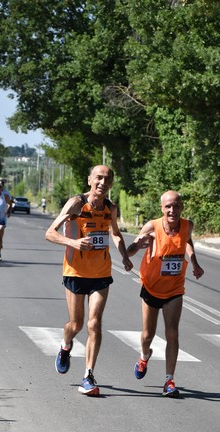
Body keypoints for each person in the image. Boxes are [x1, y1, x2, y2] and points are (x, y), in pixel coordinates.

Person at [45, 164, 133, 396]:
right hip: (75, 271)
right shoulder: (76, 203)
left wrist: (124, 256)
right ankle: (66, 345)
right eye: (99, 178)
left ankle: (88, 375)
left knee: (94, 323)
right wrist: (73, 243)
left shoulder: (110, 207)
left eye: (107, 179)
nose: (103, 182)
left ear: (111, 183)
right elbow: (50, 233)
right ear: (90, 180)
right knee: (76, 325)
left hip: (101, 273)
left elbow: (114, 233)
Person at [126, 190, 204, 398]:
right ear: (162, 208)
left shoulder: (187, 226)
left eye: (176, 205)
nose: (172, 210)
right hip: (151, 287)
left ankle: (169, 380)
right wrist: (137, 245)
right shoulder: (152, 226)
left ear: (182, 207)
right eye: (168, 206)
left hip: (174, 289)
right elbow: (131, 249)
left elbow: (187, 241)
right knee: (147, 335)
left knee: (172, 333)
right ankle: (144, 357)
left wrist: (194, 262)